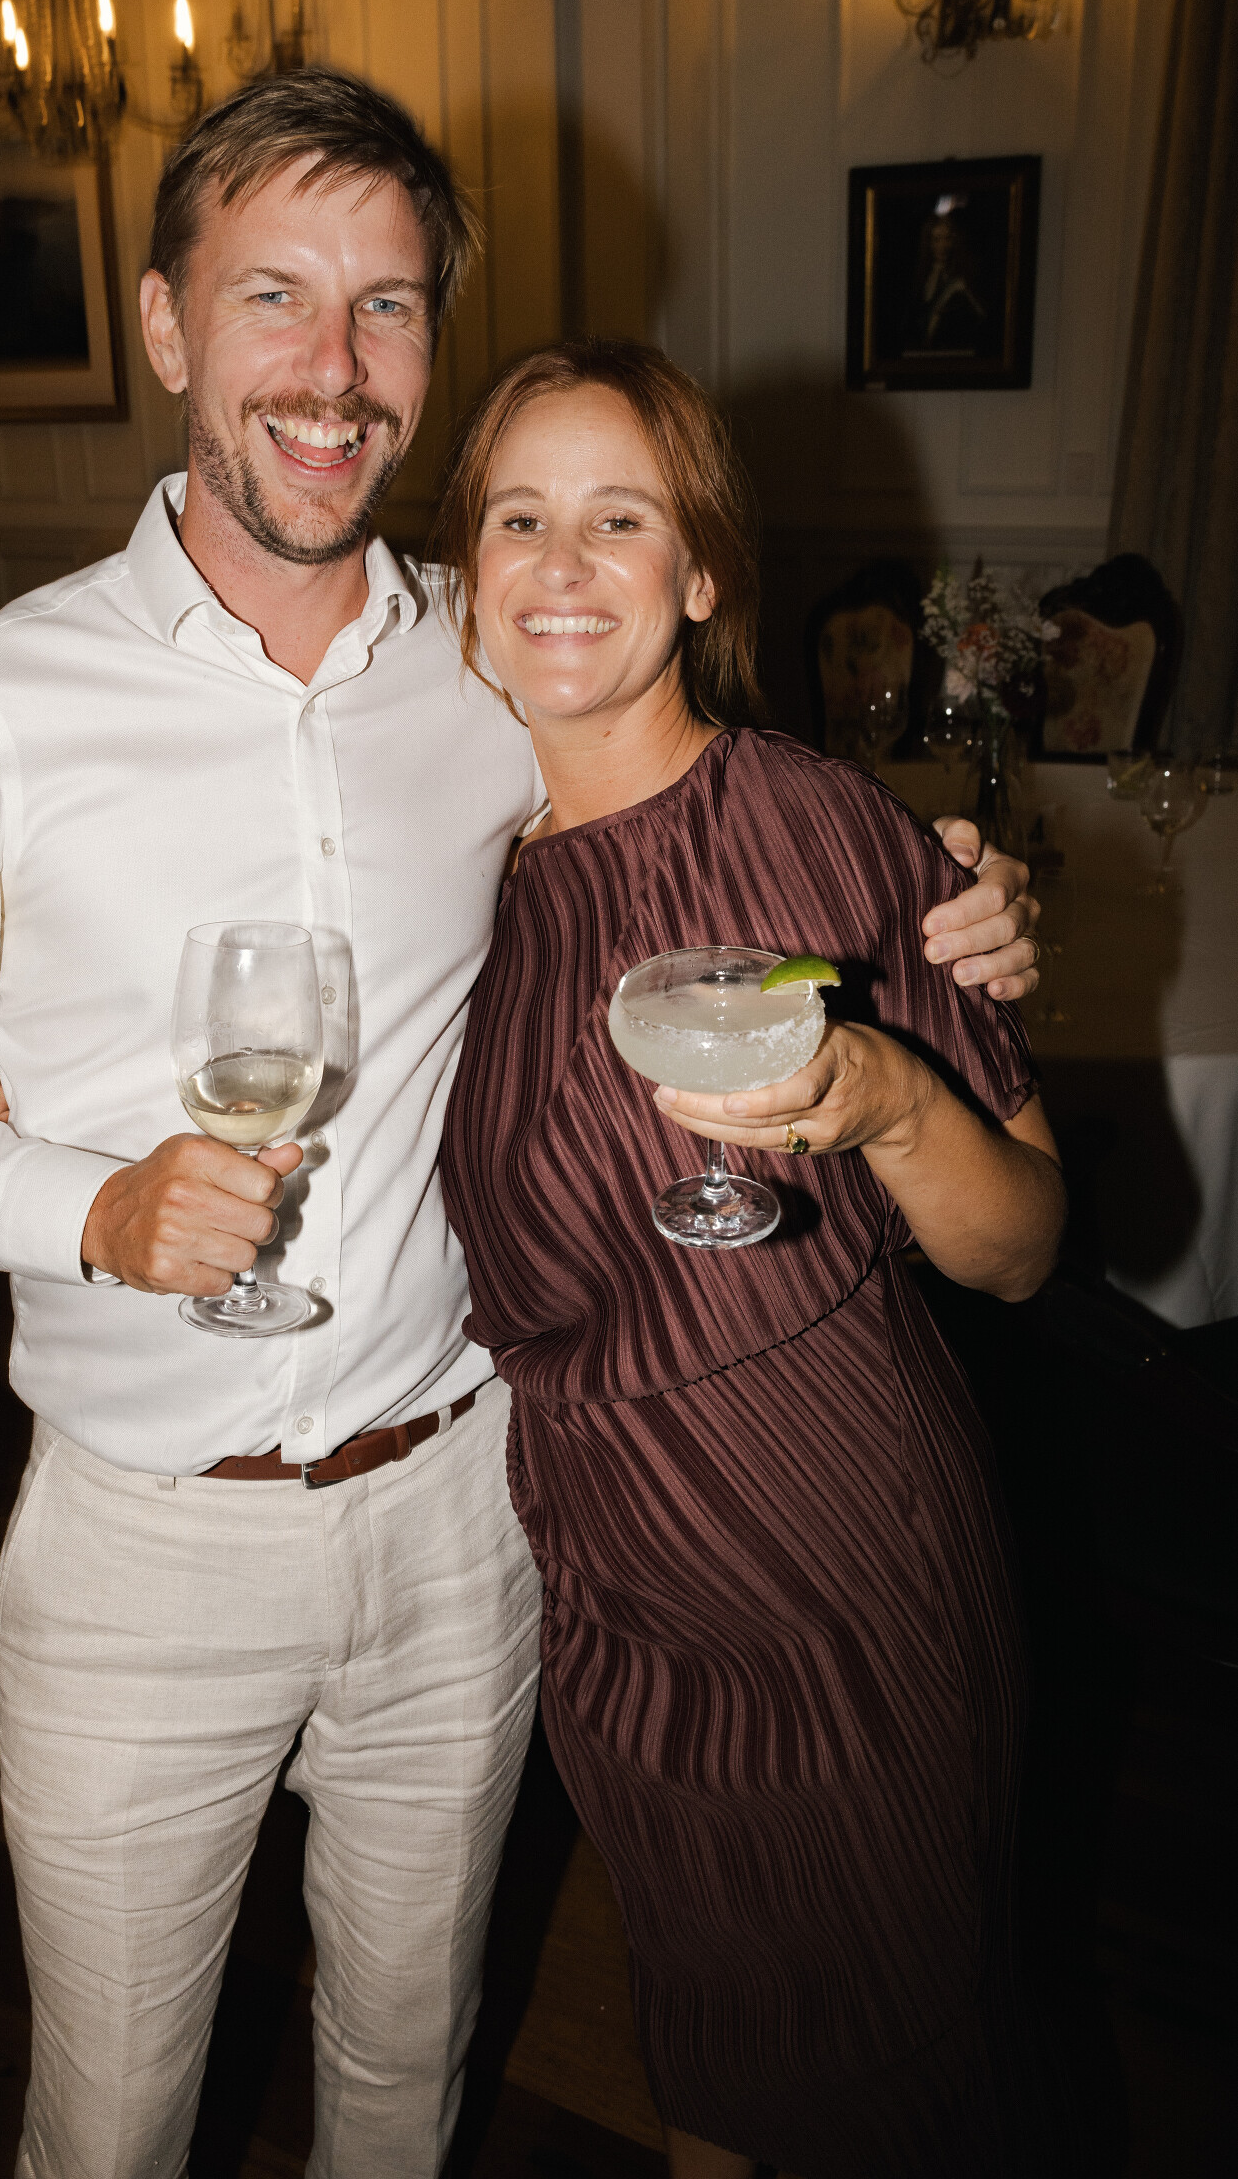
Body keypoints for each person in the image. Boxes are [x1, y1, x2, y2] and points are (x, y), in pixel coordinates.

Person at [0, 72, 1040, 2179]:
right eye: (273, 295)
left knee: (406, 2074)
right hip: (147, 1544)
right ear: (166, 323)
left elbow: (690, 781)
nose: (333, 363)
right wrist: (87, 1206)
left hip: (468, 1514)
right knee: (107, 2124)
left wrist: (962, 906)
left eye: (385, 306)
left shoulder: (481, 666)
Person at [438, 337, 1065, 2179]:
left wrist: (888, 1101)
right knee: (710, 2066)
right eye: (518, 520)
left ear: (702, 575)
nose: (562, 566)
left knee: (898, 2085)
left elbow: (1022, 1250)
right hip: (612, 1594)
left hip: (839, 1564)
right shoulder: (446, 870)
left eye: (620, 520)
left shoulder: (812, 822)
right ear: (462, 574)